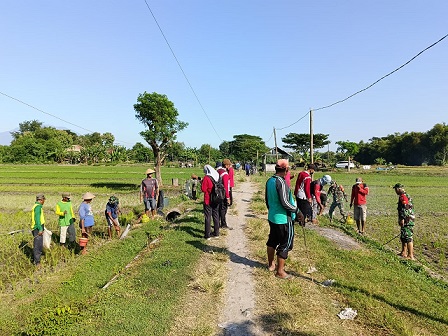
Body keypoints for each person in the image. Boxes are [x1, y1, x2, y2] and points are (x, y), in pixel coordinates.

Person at [265, 159, 297, 279]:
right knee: (285, 243)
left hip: (272, 216)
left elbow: (267, 199)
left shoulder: (270, 181)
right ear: (286, 170)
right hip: (283, 219)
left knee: (272, 240)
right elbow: (285, 203)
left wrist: (272, 210)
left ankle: (271, 264)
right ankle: (280, 271)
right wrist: (297, 211)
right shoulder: (281, 182)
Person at [393, 183, 416, 260]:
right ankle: (403, 252)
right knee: (403, 236)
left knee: (408, 237)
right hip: (407, 219)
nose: (395, 191)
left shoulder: (403, 197)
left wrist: (402, 218)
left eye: (395, 189)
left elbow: (405, 208)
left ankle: (410, 255)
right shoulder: (404, 196)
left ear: (398, 189)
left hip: (407, 220)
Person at [201, 165, 221, 239]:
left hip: (208, 199)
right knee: (216, 215)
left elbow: (203, 189)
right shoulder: (217, 176)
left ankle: (207, 235)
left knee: (208, 217)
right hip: (216, 199)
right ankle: (216, 233)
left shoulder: (206, 178)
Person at [216, 161, 232, 229]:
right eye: (229, 165)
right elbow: (226, 186)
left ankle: (218, 223)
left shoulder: (218, 171)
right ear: (226, 165)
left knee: (219, 209)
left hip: (218, 193)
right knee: (223, 209)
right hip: (223, 193)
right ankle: (223, 224)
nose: (230, 166)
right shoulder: (224, 173)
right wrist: (228, 197)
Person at [31, 193, 46, 266]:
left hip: (39, 227)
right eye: (44, 200)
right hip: (37, 228)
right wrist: (40, 229)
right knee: (37, 245)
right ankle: (37, 262)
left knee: (39, 244)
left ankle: (38, 259)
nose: (44, 201)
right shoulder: (37, 207)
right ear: (41, 200)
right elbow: (37, 219)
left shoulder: (38, 206)